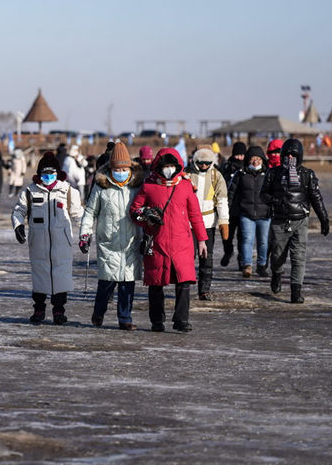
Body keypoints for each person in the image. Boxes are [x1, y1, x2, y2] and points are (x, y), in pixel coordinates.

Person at [131, 148, 208, 333]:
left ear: (178, 166)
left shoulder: (185, 186)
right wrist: (145, 215)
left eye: (172, 166)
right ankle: (157, 321)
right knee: (156, 283)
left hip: (182, 243)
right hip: (157, 242)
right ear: (159, 166)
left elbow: (195, 215)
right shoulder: (148, 186)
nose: (169, 169)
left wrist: (202, 240)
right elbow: (134, 210)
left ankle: (181, 320)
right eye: (165, 166)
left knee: (184, 282)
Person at [11, 152, 83, 325]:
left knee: (61, 277)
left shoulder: (68, 191)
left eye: (51, 173)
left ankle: (59, 311)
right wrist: (18, 226)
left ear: (57, 173)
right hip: (39, 242)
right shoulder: (30, 191)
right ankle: (39, 309)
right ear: (39, 174)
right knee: (40, 275)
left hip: (62, 242)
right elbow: (19, 210)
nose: (48, 177)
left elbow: (78, 214)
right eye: (44, 173)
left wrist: (85, 233)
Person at [79, 142, 143, 330]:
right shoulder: (101, 187)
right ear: (111, 168)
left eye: (124, 168)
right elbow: (90, 212)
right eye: (117, 168)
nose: (121, 171)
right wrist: (85, 233)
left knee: (127, 284)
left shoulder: (137, 187)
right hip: (108, 242)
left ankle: (125, 318)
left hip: (131, 241)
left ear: (130, 167)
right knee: (106, 283)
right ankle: (99, 312)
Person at [261, 138, 329, 303]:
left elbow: (316, 198)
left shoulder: (307, 174)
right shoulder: (273, 173)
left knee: (299, 256)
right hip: (280, 220)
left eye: (294, 154)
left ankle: (296, 291)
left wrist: (324, 219)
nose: (290, 157)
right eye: (288, 154)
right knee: (277, 255)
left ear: (300, 156)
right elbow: (263, 195)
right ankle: (276, 275)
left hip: (300, 220)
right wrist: (275, 201)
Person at [185, 147, 229, 299]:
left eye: (207, 163)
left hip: (208, 223)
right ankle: (185, 287)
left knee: (207, 257)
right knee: (188, 257)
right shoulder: (187, 175)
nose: (203, 166)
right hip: (189, 223)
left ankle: (204, 289)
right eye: (200, 162)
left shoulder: (216, 176)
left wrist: (224, 221)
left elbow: (222, 199)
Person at [229, 146, 271, 278]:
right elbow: (231, 193)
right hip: (246, 214)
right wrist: (227, 210)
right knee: (247, 239)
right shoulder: (240, 174)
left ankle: (262, 265)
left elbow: (275, 193)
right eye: (253, 159)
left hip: (265, 214)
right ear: (248, 160)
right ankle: (247, 265)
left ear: (263, 160)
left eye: (258, 159)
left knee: (263, 241)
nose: (255, 162)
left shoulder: (269, 174)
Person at [220, 141, 247, 268]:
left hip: (243, 208)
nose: (240, 158)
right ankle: (228, 251)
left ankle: (242, 259)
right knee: (227, 235)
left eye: (242, 155)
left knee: (243, 237)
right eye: (237, 155)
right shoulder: (226, 167)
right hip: (228, 208)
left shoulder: (247, 168)